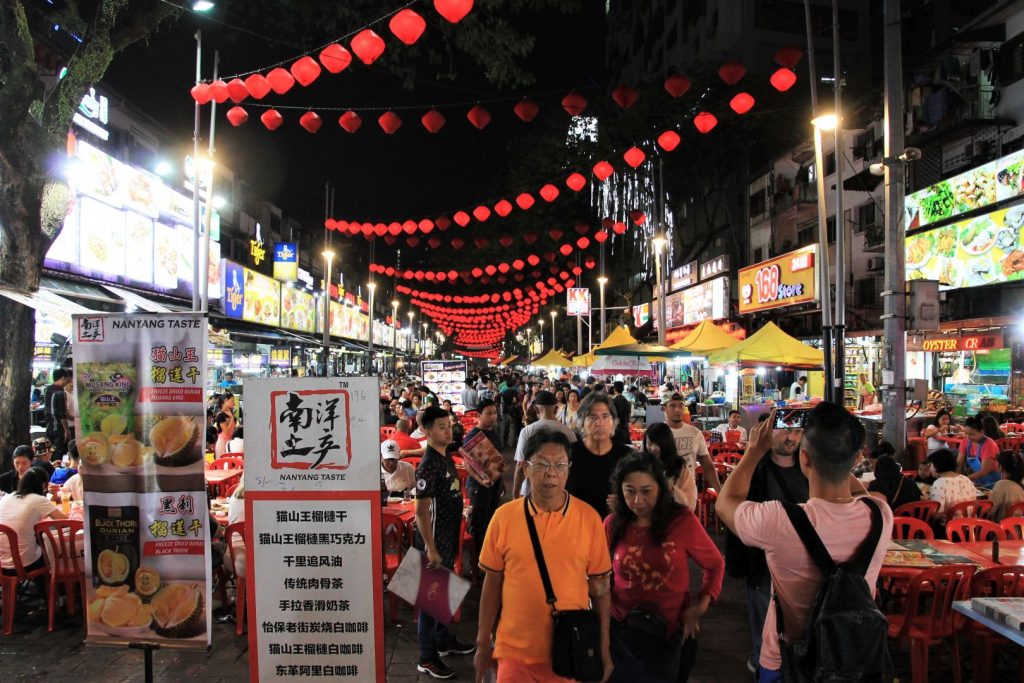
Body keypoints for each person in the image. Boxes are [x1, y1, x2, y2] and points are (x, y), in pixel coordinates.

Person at [717, 404, 893, 681]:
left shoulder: (779, 520)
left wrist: (754, 450)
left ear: (805, 460)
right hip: (853, 657)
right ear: (857, 458)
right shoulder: (881, 516)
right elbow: (859, 493)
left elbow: (726, 503)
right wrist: (839, 457)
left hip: (788, 661)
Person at [474, 429, 613, 683]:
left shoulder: (589, 518)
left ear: (569, 469)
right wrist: (483, 642)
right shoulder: (504, 517)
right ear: (526, 468)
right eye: (542, 464)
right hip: (513, 653)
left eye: (559, 464)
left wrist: (603, 646)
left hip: (569, 651)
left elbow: (601, 589)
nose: (551, 472)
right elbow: (492, 583)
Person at [606, 453, 724, 682]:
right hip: (621, 632)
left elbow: (715, 564)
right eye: (629, 491)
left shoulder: (681, 522)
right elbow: (597, 572)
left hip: (669, 632)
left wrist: (700, 607)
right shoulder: (612, 524)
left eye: (646, 491)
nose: (638, 500)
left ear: (661, 488)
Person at [722, 411, 809, 674]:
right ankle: (763, 666)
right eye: (784, 430)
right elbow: (729, 505)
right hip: (763, 566)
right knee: (763, 627)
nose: (790, 437)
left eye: (796, 431)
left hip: (804, 566)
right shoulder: (753, 470)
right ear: (767, 432)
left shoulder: (810, 468)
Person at [414, 406, 475, 679]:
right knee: (429, 602)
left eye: (448, 425)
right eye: (440, 426)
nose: (448, 430)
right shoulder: (428, 464)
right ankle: (426, 658)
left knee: (443, 594)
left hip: (449, 539)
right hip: (434, 544)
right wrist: (431, 548)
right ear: (427, 432)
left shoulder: (446, 458)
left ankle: (443, 640)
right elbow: (420, 511)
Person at [567, 393, 635, 519]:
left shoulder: (627, 457)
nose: (599, 423)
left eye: (605, 416)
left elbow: (639, 497)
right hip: (575, 526)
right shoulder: (568, 454)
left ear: (614, 422)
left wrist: (625, 503)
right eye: (593, 417)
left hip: (613, 529)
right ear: (582, 422)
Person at [0, 467, 67, 577]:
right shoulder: (38, 500)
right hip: (26, 564)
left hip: (2, 564)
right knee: (51, 552)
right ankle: (52, 589)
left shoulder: (8, 497)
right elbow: (65, 521)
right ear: (44, 485)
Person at [513, 390, 578, 498]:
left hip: (531, 491)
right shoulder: (568, 432)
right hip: (560, 491)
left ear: (536, 409)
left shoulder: (527, 431)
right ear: (556, 409)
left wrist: (515, 494)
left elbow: (520, 465)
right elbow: (574, 465)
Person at [463, 399, 505, 560]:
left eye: (495, 412)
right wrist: (481, 481)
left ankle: (488, 557)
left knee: (491, 521)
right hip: (478, 487)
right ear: (479, 415)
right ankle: (476, 561)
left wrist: (501, 483)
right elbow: (468, 465)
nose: (493, 416)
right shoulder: (473, 436)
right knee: (478, 525)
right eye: (489, 413)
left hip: (494, 484)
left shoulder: (493, 433)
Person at [663, 392, 722, 493]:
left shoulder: (695, 433)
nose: (677, 409)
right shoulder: (656, 433)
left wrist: (720, 492)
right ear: (664, 408)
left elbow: (707, 466)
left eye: (681, 405)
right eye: (672, 405)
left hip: (688, 493)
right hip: (662, 493)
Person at [643, 422, 696, 510]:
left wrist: (671, 489)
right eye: (649, 443)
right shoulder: (641, 465)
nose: (652, 448)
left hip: (673, 517)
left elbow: (690, 504)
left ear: (666, 444)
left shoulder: (679, 467)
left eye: (657, 444)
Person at [926, 448, 978, 528]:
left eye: (931, 465)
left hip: (950, 529)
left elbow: (937, 514)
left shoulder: (939, 483)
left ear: (937, 465)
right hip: (971, 527)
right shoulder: (966, 479)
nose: (930, 468)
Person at [958, 415, 1001, 487]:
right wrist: (956, 478)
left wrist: (965, 479)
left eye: (972, 434)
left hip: (992, 481)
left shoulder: (989, 445)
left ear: (982, 431)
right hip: (977, 480)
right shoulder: (965, 441)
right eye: (966, 433)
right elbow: (959, 463)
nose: (968, 437)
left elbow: (984, 471)